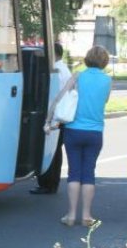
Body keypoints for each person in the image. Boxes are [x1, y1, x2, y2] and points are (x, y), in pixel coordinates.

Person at [45, 44, 112, 227]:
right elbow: (105, 101)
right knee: (89, 172)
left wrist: (49, 120)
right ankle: (87, 216)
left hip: (74, 130)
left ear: (87, 58)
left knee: (74, 172)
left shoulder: (78, 76)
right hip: (95, 132)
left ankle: (71, 215)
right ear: (104, 61)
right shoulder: (107, 80)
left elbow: (60, 98)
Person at [31, 42, 71, 195]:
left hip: (55, 115)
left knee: (51, 150)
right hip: (59, 115)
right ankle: (51, 183)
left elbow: (55, 95)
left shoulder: (57, 70)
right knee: (55, 151)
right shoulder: (63, 69)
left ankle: (47, 184)